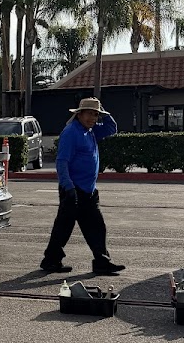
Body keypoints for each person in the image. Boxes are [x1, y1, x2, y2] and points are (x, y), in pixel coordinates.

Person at [40, 96, 125, 275]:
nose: (92, 118)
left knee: (97, 227)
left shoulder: (91, 131)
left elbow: (112, 129)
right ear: (79, 114)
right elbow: (62, 162)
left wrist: (104, 112)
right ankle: (51, 261)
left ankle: (101, 262)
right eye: (88, 114)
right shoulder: (71, 132)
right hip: (73, 189)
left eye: (95, 115)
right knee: (64, 227)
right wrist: (68, 187)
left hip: (88, 190)